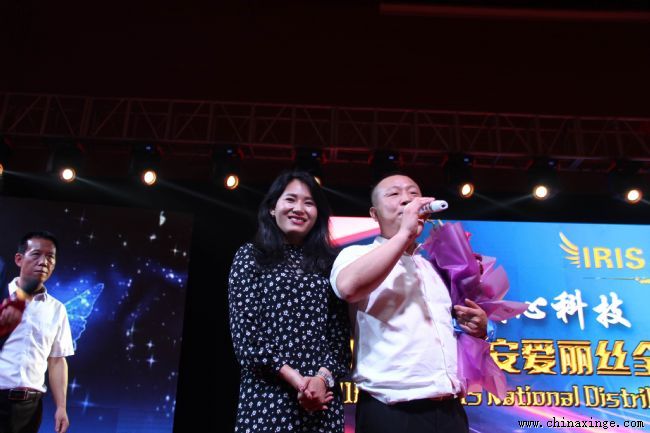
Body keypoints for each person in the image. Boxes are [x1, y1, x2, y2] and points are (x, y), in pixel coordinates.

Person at [330, 174, 488, 433]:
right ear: (374, 214)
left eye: (413, 193)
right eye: (394, 194)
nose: (406, 199)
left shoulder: (435, 265)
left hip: (449, 408)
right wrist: (404, 233)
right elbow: (348, 287)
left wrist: (477, 329)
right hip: (391, 410)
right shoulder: (356, 254)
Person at [228, 170, 351, 433]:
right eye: (290, 199)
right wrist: (297, 381)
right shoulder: (250, 256)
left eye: (309, 203)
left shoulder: (330, 264)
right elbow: (247, 336)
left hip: (322, 401)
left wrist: (321, 380)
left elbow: (340, 339)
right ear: (272, 208)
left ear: (318, 214)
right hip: (266, 398)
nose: (299, 208)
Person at [0, 232, 74, 433]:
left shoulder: (57, 309)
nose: (44, 262)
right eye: (36, 254)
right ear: (19, 259)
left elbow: (57, 360)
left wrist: (61, 407)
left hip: (30, 409)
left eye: (50, 257)